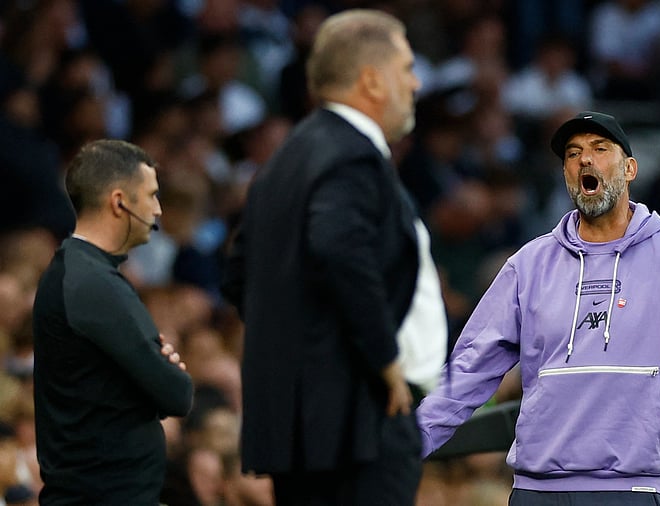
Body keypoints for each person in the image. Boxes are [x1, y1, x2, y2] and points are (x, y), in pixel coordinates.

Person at [416, 111, 660, 505]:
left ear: (629, 168)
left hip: (636, 487)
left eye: (600, 149)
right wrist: (409, 443)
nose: (584, 160)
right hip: (537, 490)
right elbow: (467, 370)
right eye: (573, 153)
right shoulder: (528, 265)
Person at [220, 9, 447, 506]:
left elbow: (240, 275)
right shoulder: (349, 154)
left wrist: (304, 359)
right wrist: (383, 359)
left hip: (309, 427)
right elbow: (338, 247)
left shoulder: (285, 160)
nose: (415, 82)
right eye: (406, 68)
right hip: (361, 421)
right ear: (371, 80)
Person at [31, 139, 194, 505]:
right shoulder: (93, 284)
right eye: (151, 195)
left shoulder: (80, 273)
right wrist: (158, 370)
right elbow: (177, 392)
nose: (158, 209)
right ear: (119, 202)